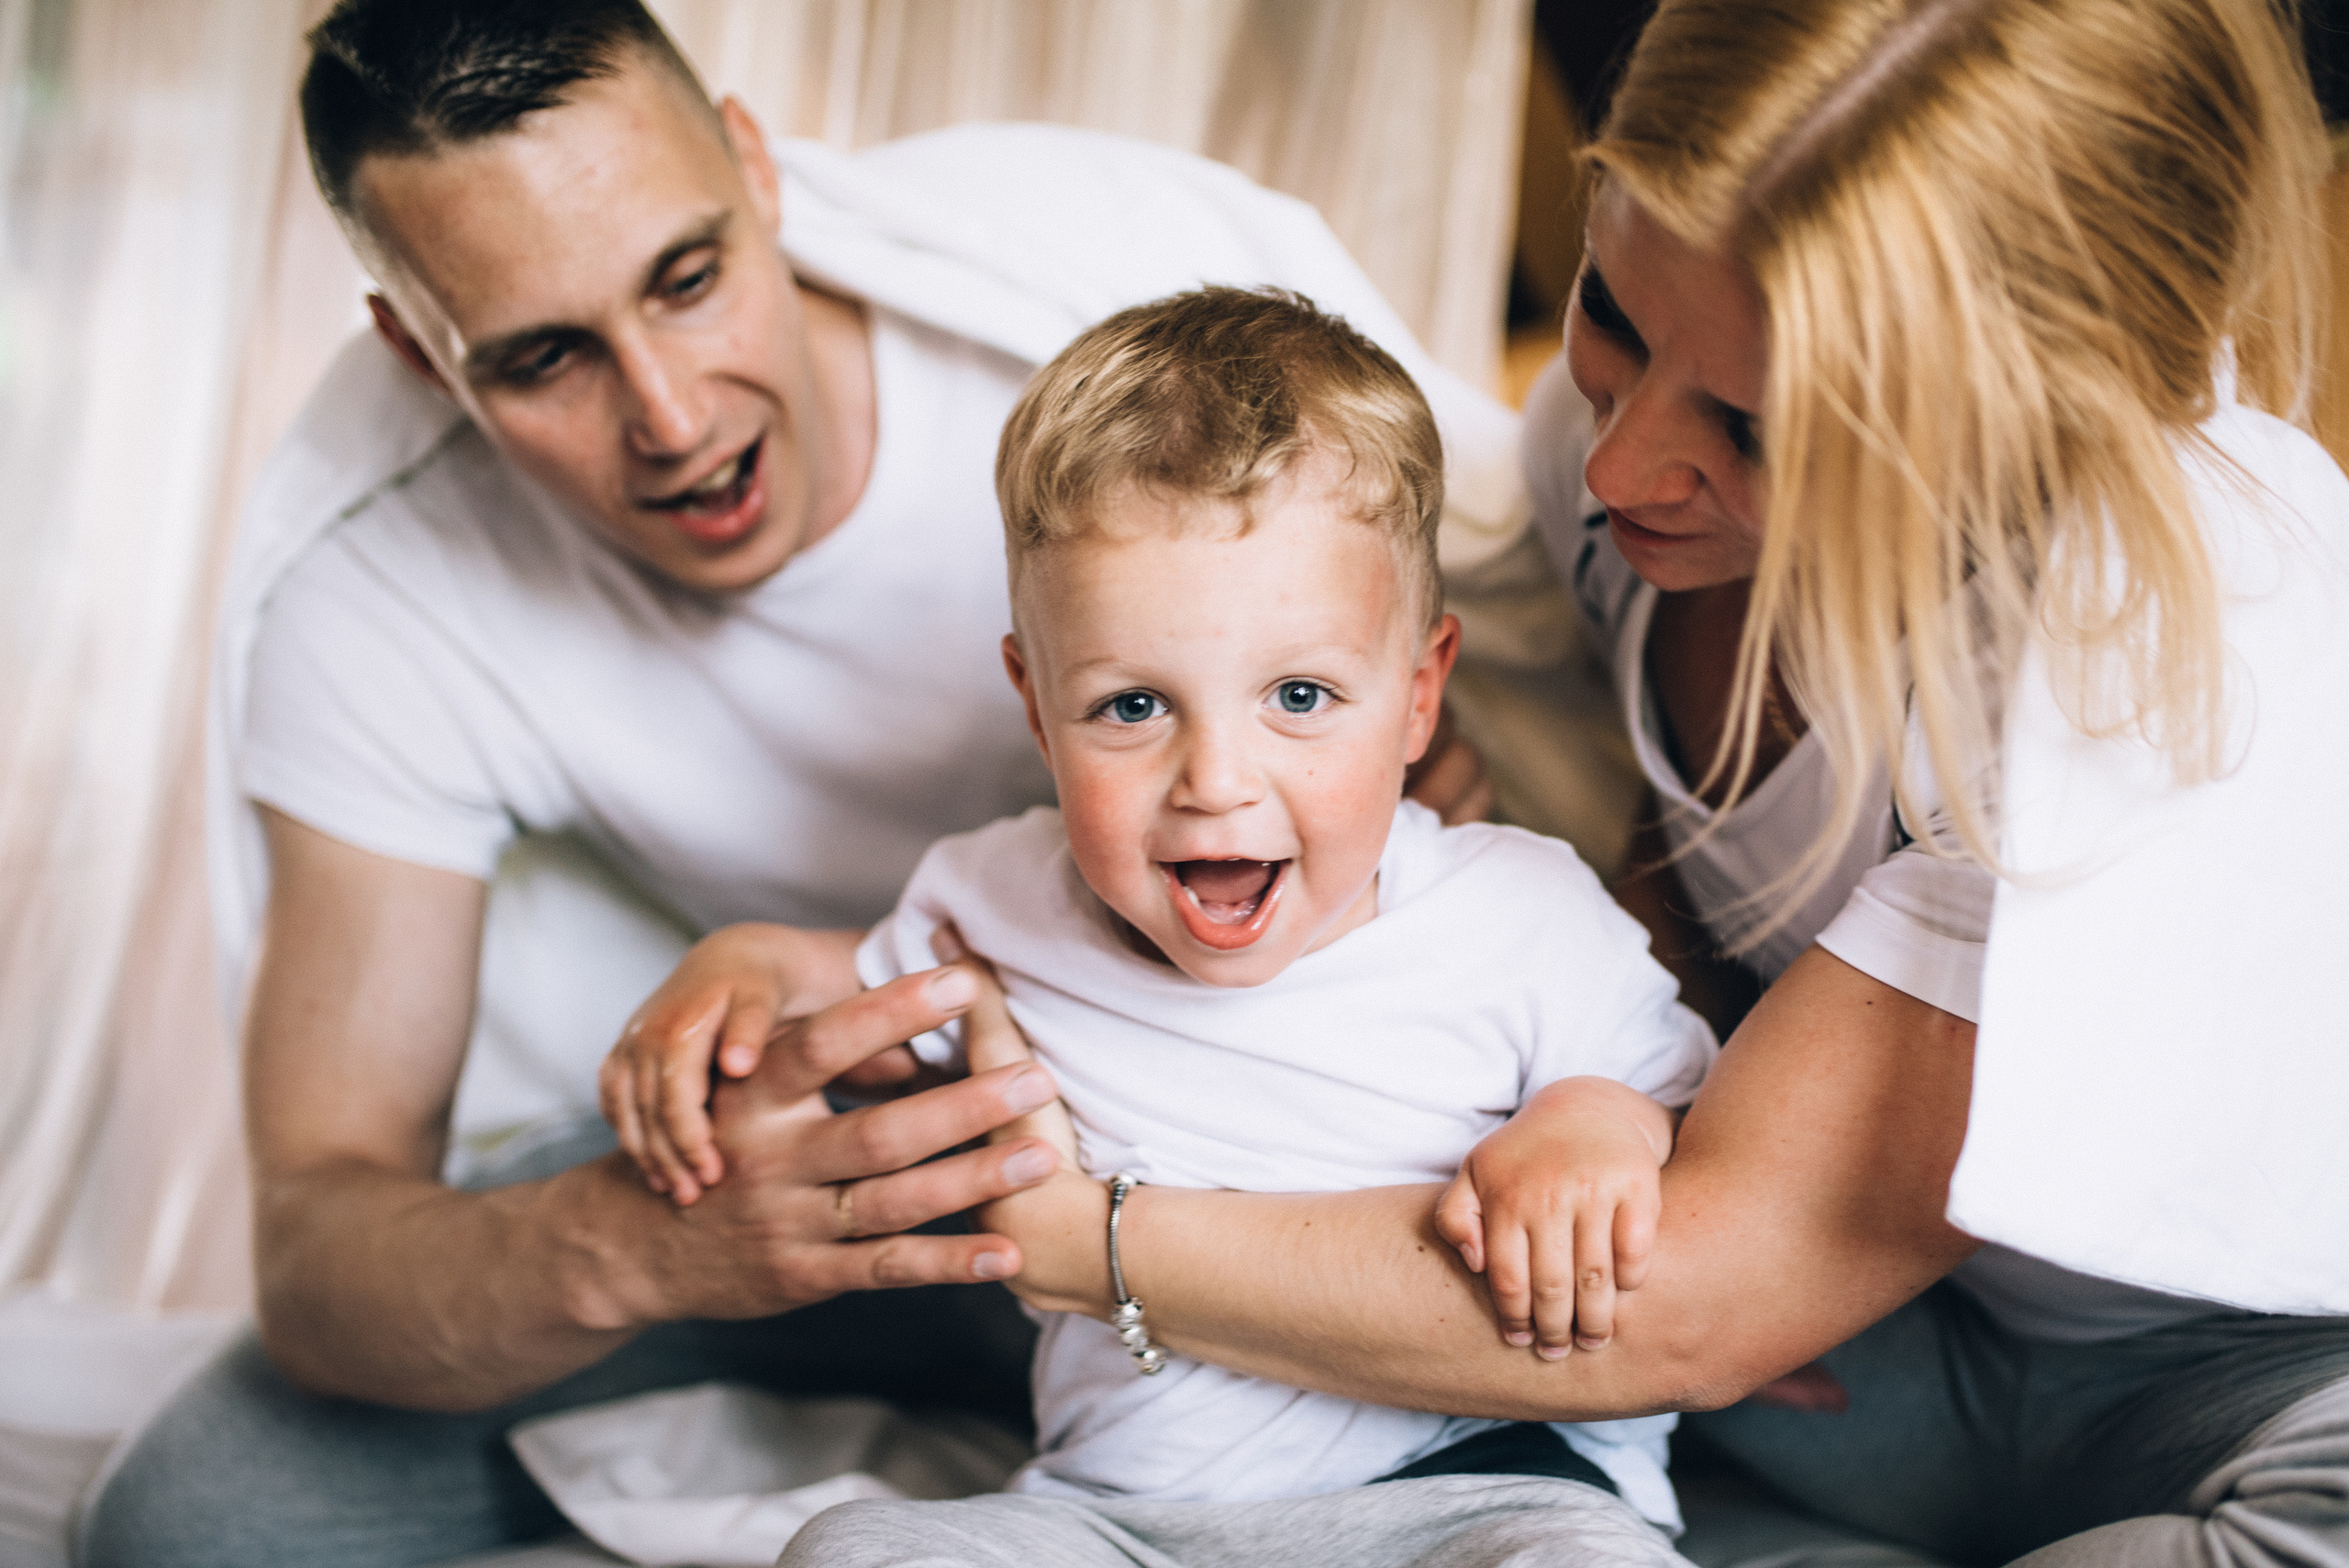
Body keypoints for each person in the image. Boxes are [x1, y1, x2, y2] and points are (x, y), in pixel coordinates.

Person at [773, 2, 2341, 1564]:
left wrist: (1069, 1234)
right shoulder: (1618, 502)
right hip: (1878, 1360)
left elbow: (1681, 1306)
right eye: (1613, 311)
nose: (1621, 465)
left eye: (1753, 425)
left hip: (2236, 1382)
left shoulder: (2153, 671)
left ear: (2026, 429)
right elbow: (1659, 874)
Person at [77, 3, 1520, 1564]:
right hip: (810, 1159)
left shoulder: (1098, 324)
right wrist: (645, 1245)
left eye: (687, 279)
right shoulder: (376, 589)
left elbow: (1474, 603)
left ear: (760, 170)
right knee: (189, 1519)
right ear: (416, 354)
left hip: (1247, 1128)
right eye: (544, 358)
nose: (674, 419)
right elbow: (319, 1239)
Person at [610, 288, 1713, 1564]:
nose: (1216, 780)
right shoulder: (999, 900)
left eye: (1299, 695)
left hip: (1470, 1488)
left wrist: (1590, 1126)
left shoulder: (1516, 912)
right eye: (1133, 705)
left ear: (1419, 697)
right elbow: (854, 994)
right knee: (856, 1548)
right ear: (1036, 705)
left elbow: (1673, 1101)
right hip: (1117, 1519)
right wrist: (744, 967)